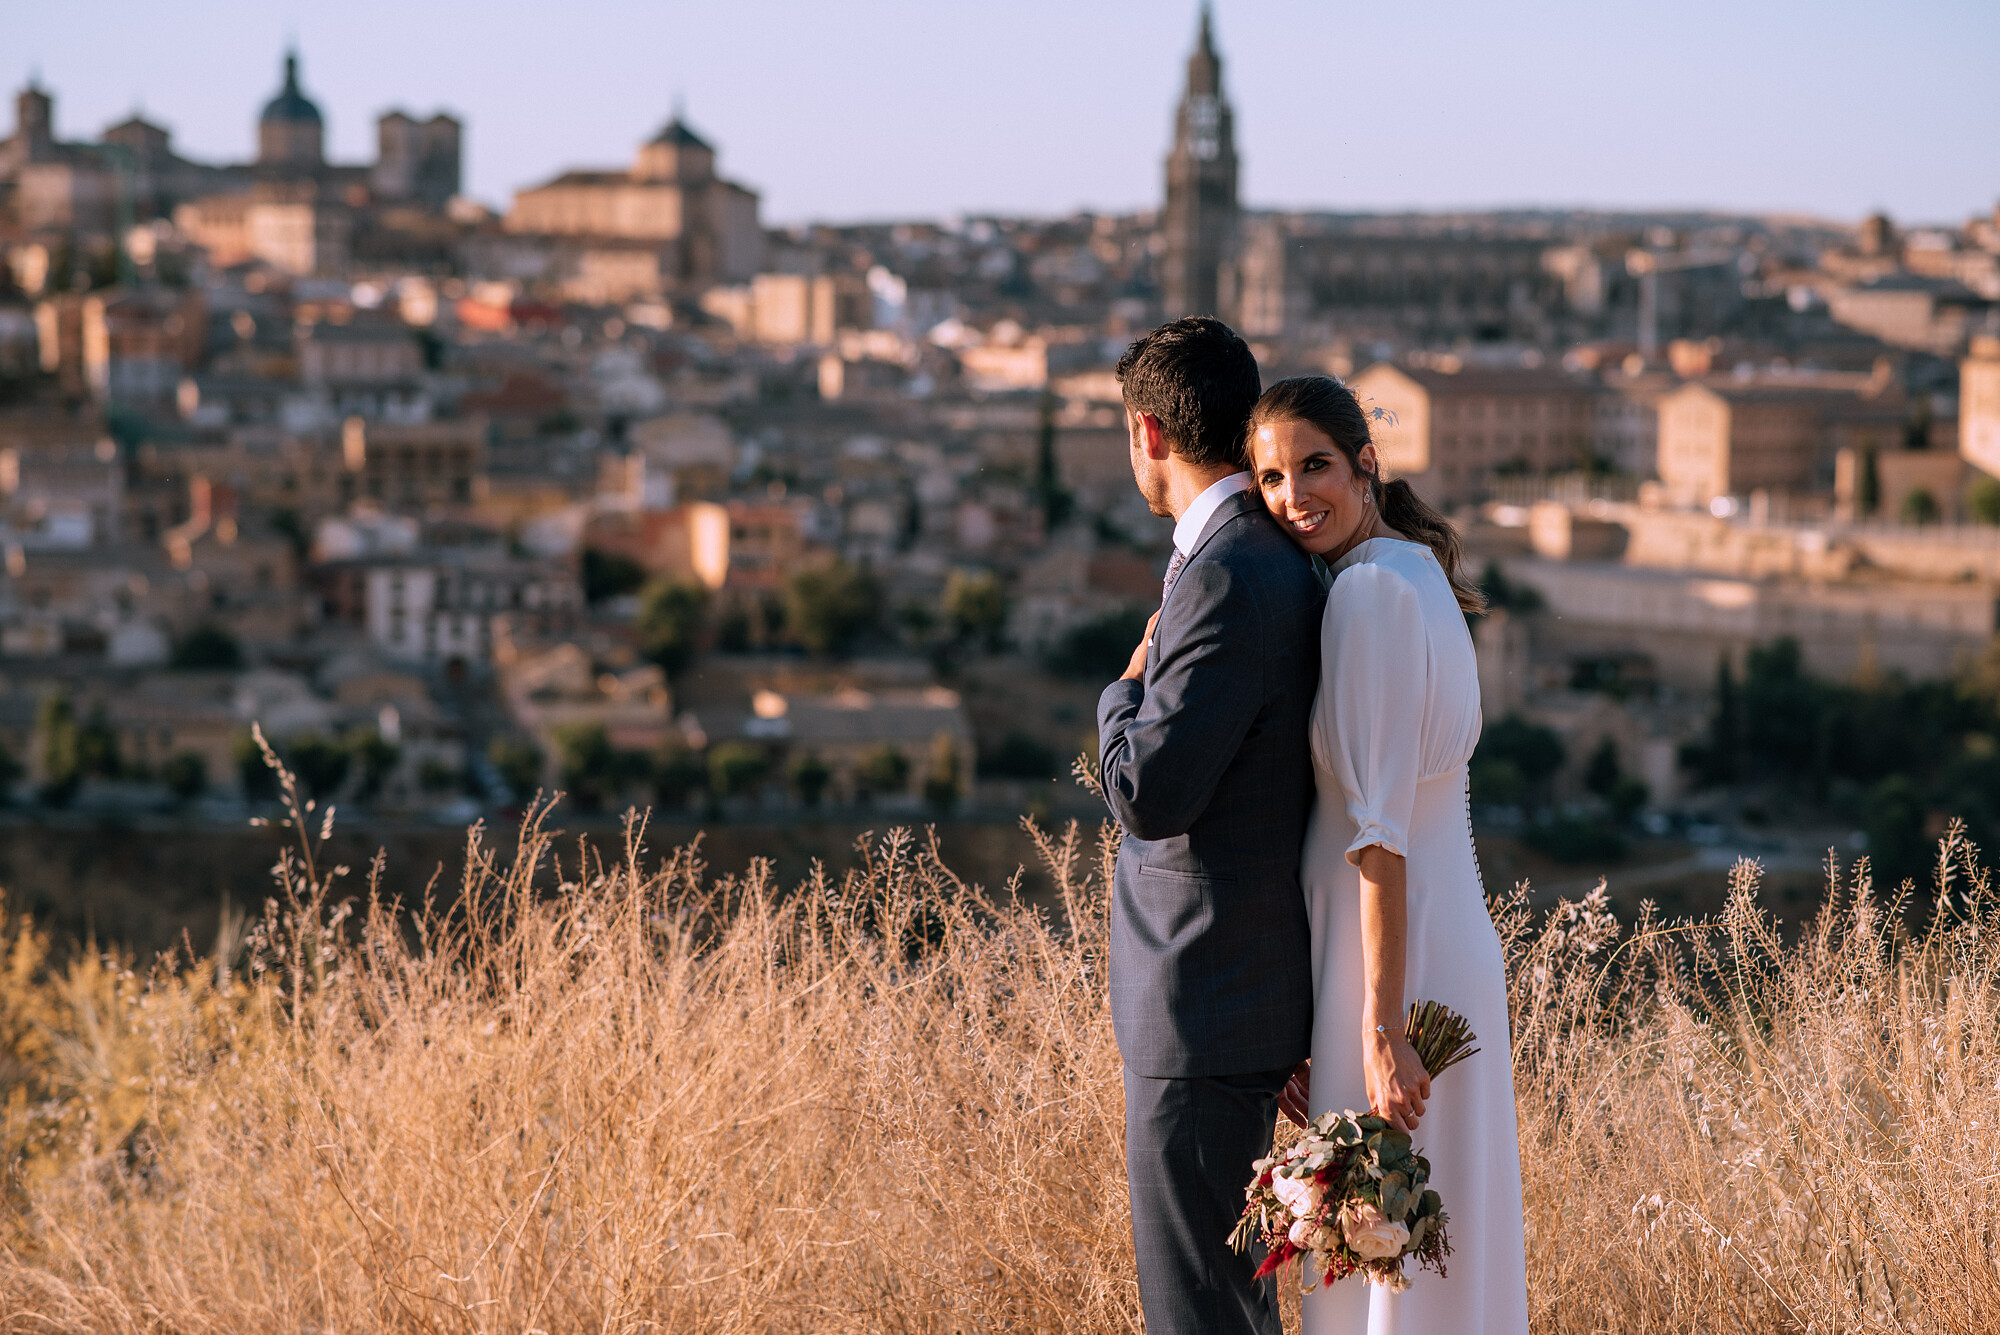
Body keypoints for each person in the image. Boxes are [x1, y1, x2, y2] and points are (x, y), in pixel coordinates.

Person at [1250, 375, 1530, 1335]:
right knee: (1424, 1257)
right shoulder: (1415, 573)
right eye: (1274, 478)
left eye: (1315, 465)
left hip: (1390, 973)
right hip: (1436, 950)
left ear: (1366, 461)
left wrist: (1379, 1026)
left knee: (1386, 1259)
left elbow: (1377, 836)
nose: (1295, 497)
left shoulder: (1366, 596)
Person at [1096, 318, 1326, 1335]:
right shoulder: (1250, 553)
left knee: (1199, 1313)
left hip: (1203, 1006)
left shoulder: (1229, 566)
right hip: (1230, 996)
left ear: (1148, 431)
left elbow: (1150, 792)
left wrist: (1121, 692)